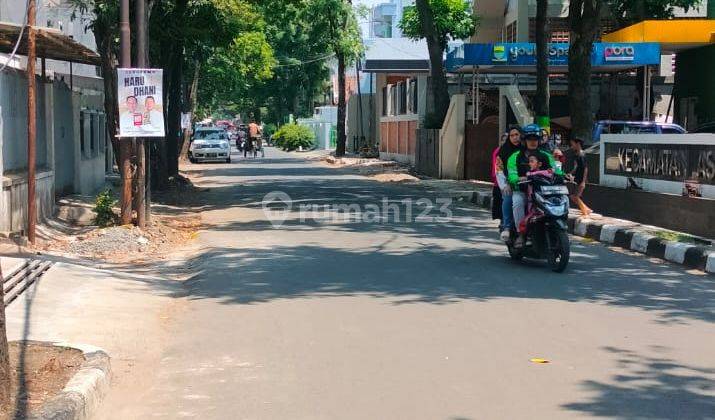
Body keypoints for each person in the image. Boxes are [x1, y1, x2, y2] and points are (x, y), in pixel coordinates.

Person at [507, 124, 564, 248]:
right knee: (517, 202)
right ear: (524, 140)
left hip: (544, 191)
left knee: (561, 201)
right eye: (529, 139)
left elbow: (556, 170)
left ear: (539, 140)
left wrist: (565, 176)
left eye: (535, 139)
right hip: (523, 190)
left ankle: (560, 229)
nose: (533, 142)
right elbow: (512, 174)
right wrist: (517, 179)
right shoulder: (515, 156)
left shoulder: (546, 155)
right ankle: (520, 234)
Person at [496, 126, 523, 241]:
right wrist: (505, 185)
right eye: (512, 135)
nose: (515, 138)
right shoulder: (503, 151)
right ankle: (507, 227)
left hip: (528, 182)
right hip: (510, 183)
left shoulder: (526, 148)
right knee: (508, 198)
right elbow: (499, 170)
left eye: (517, 135)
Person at [518, 154, 555, 234]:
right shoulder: (529, 174)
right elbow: (528, 176)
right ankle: (525, 235)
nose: (529, 164)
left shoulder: (547, 173)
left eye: (532, 161)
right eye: (529, 162)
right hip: (534, 202)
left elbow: (550, 173)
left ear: (540, 164)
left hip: (547, 200)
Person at [564, 137, 593, 216]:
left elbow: (585, 168)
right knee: (574, 196)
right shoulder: (577, 155)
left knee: (574, 196)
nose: (571, 146)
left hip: (581, 179)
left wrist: (583, 181)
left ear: (578, 144)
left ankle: (585, 211)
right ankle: (586, 209)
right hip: (577, 179)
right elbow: (576, 167)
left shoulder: (582, 155)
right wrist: (570, 173)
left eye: (572, 144)